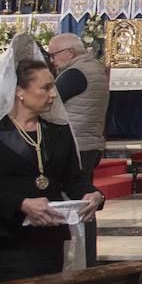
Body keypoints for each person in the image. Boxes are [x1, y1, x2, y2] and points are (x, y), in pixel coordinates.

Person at [0, 38, 104, 284]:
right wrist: (22, 204)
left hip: (47, 241)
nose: (53, 94)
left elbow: (73, 179)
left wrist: (92, 194)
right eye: (45, 88)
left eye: (53, 87)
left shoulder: (58, 132)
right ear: (20, 92)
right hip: (2, 242)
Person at [47, 33, 109, 266]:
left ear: (69, 53)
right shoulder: (93, 68)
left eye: (53, 55)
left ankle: (83, 260)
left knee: (80, 204)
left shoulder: (75, 73)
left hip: (76, 145)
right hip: (89, 142)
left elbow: (49, 101)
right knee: (85, 202)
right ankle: (85, 259)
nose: (52, 60)